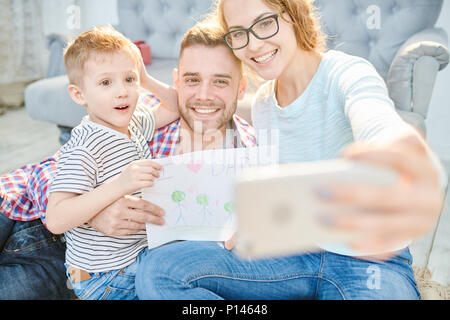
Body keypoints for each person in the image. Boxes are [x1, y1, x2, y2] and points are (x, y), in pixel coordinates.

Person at [134, 0, 446, 300]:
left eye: (265, 23)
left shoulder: (345, 73)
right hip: (291, 254)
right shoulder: (265, 103)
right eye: (240, 33)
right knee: (159, 271)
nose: (254, 45)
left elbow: (376, 119)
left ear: (293, 15)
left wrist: (396, 148)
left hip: (370, 260)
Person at [0, 22, 255, 299]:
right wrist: (96, 213)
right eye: (192, 80)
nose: (204, 94)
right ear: (177, 81)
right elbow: (47, 171)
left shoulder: (249, 150)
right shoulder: (128, 112)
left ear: (241, 88)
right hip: (17, 209)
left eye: (220, 81)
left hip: (86, 269)